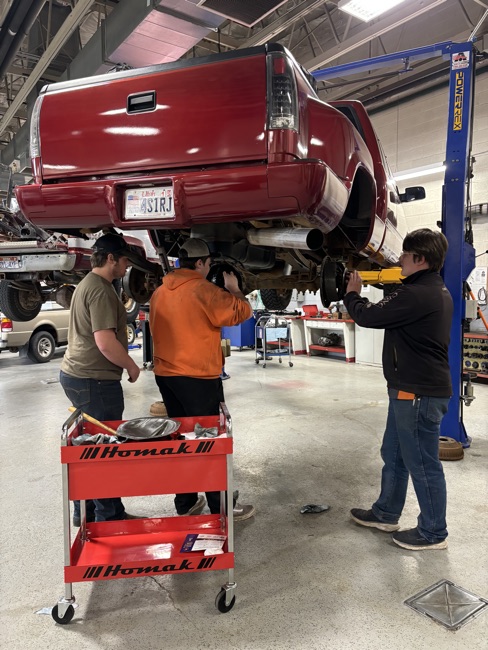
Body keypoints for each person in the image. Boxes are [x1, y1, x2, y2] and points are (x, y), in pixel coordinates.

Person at [343, 228, 453, 550]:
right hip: (409, 390)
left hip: (417, 394)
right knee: (394, 453)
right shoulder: (427, 288)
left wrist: (353, 292)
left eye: (405, 254)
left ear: (419, 259)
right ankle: (386, 512)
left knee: (422, 463)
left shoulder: (416, 295)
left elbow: (366, 315)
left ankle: (434, 533)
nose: (400, 258)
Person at [149, 238, 255, 521]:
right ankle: (222, 507)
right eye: (208, 263)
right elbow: (241, 312)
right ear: (199, 263)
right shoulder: (204, 290)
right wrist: (235, 290)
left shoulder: (160, 292)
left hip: (166, 378)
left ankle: (185, 502)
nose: (209, 268)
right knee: (209, 441)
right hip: (198, 378)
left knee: (182, 439)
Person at [60, 233, 142, 526]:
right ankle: (110, 520)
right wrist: (132, 366)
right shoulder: (102, 290)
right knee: (105, 451)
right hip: (94, 380)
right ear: (110, 259)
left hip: (78, 375)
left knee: (91, 448)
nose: (126, 265)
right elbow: (105, 342)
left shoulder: (87, 284)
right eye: (123, 259)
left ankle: (87, 513)